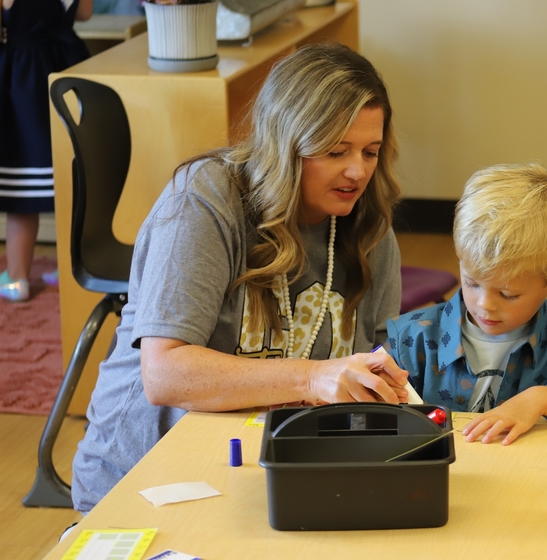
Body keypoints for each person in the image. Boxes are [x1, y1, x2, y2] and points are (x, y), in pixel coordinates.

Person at [72, 43, 410, 513]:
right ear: (286, 142)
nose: (358, 171)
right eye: (335, 151)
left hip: (265, 478)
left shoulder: (370, 228)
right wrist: (313, 378)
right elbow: (164, 374)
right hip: (144, 479)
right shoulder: (205, 201)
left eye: (371, 151)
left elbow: (372, 361)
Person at [385, 163, 547, 445]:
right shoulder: (413, 337)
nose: (484, 304)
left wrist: (543, 397)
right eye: (472, 283)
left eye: (508, 294)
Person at [0, 0, 92, 300]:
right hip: (66, 68)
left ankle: (17, 278)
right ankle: (70, 270)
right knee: (70, 181)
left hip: (22, 78)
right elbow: (85, 12)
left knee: (23, 189)